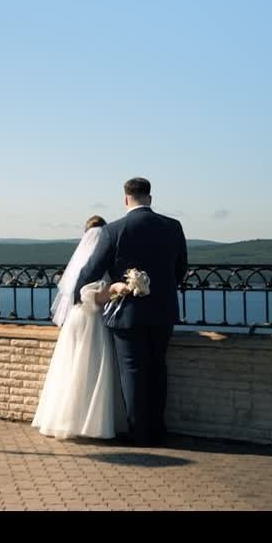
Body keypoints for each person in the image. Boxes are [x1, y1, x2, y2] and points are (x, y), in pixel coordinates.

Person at [73, 177, 187, 446]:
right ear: (150, 197)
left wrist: (82, 291)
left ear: (126, 199)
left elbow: (91, 271)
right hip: (163, 310)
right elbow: (180, 269)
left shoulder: (113, 230)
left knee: (133, 371)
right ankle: (158, 429)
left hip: (127, 313)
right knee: (158, 368)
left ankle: (140, 434)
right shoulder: (173, 226)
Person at [31, 215, 129, 440]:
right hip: (92, 321)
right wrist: (115, 288)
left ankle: (64, 419)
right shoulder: (100, 264)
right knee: (91, 369)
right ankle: (88, 422)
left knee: (70, 368)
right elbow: (94, 297)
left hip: (75, 320)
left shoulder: (79, 265)